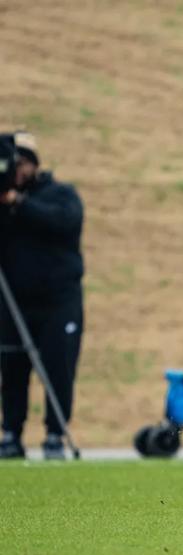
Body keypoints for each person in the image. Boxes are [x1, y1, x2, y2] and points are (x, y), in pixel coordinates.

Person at [0, 131, 85, 460]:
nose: (16, 172)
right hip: (14, 303)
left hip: (59, 302)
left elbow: (64, 223)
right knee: (13, 370)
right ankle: (11, 433)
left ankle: (54, 434)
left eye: (20, 164)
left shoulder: (60, 195)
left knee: (58, 368)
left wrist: (17, 203)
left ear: (33, 165)